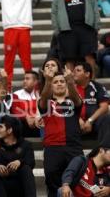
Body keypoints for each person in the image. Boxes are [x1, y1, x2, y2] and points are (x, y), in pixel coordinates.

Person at [38, 68, 84, 197]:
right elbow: (42, 101)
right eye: (55, 82)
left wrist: (70, 81)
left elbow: (78, 100)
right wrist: (47, 81)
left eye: (61, 81)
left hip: (73, 148)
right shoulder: (46, 102)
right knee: (53, 186)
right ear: (51, 86)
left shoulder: (73, 101)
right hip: (52, 149)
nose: (59, 83)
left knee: (76, 184)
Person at [51, 0, 100, 77]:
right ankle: (71, 84)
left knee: (90, 56)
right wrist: (57, 30)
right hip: (66, 30)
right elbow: (54, 12)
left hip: (87, 28)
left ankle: (92, 81)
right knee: (69, 58)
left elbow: (95, 8)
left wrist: (96, 25)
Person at [0, 115, 36, 197]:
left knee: (26, 169)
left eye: (1, 127)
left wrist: (19, 162)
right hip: (3, 184)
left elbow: (31, 162)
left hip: (20, 183)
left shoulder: (25, 145)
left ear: (10, 130)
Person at [0, 0, 33, 91]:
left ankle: (31, 86)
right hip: (11, 28)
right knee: (9, 61)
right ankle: (7, 88)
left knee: (26, 60)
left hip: (23, 27)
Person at [73, 62, 110, 142]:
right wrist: (78, 119)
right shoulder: (70, 89)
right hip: (75, 122)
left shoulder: (97, 87)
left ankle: (103, 149)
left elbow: (104, 107)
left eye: (78, 70)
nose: (74, 73)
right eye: (74, 71)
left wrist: (90, 120)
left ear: (87, 74)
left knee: (106, 119)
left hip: (94, 122)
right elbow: (66, 107)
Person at [11, 71, 42, 137]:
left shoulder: (40, 94)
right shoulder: (16, 94)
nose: (24, 81)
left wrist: (36, 117)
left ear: (35, 81)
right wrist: (26, 116)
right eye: (24, 79)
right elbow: (15, 110)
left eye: (27, 79)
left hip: (38, 122)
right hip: (23, 124)